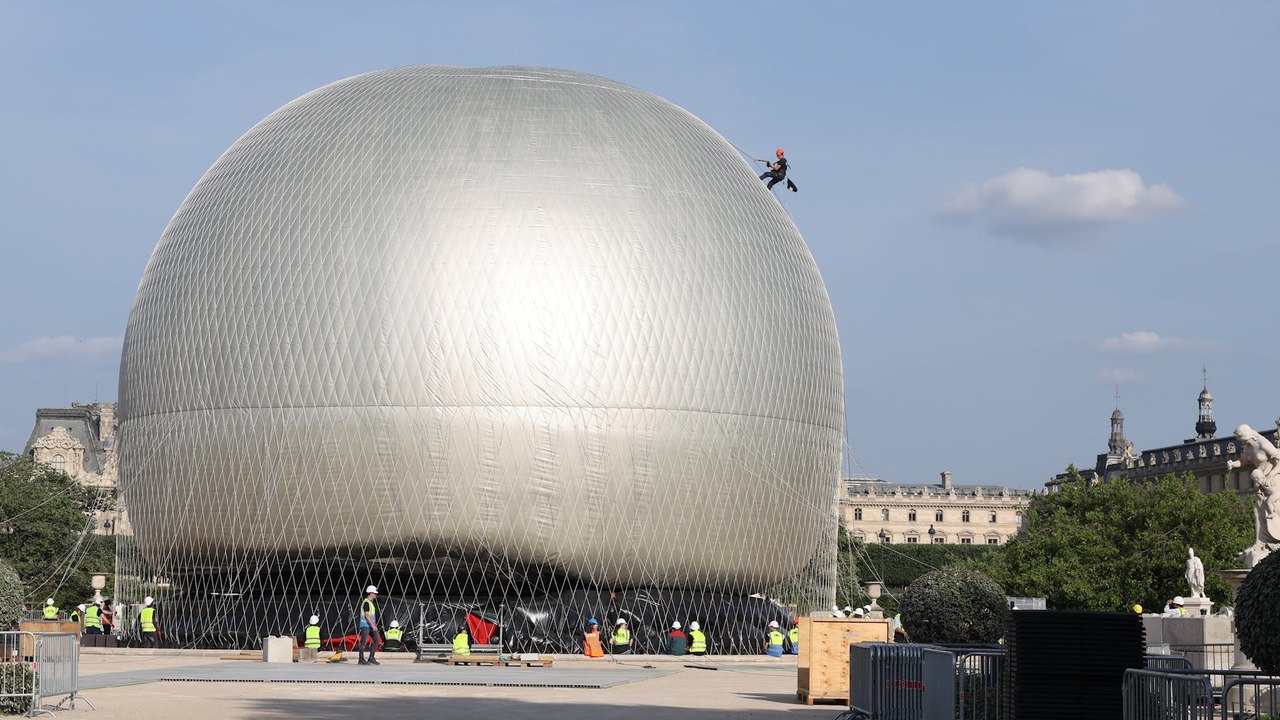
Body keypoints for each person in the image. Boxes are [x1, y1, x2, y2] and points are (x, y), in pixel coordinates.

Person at [357, 585, 380, 665]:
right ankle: (361, 659)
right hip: (365, 625)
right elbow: (367, 615)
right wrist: (373, 625)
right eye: (375, 593)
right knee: (364, 642)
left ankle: (371, 658)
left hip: (369, 626)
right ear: (370, 593)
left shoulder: (370, 603)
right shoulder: (366, 602)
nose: (376, 595)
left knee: (377, 641)